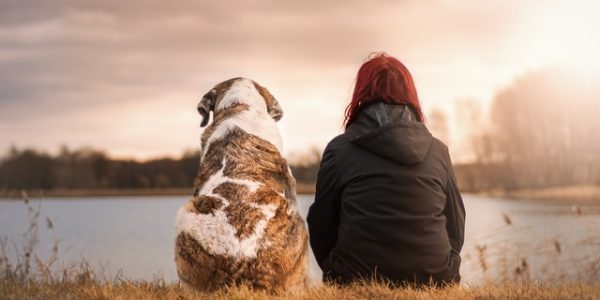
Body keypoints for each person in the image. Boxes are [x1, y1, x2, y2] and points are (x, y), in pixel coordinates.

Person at [307, 52, 465, 286]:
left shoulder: (339, 150)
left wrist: (336, 268)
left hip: (355, 278)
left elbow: (321, 226)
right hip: (435, 278)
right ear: (410, 94)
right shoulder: (438, 151)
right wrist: (442, 266)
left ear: (361, 94)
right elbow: (456, 225)